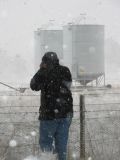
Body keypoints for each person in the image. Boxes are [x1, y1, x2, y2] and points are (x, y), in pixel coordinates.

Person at [30, 52, 73, 160]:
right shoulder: (65, 70)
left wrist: (41, 70)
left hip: (49, 114)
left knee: (46, 145)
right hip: (66, 114)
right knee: (61, 146)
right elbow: (68, 85)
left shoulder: (44, 72)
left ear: (44, 62)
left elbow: (33, 85)